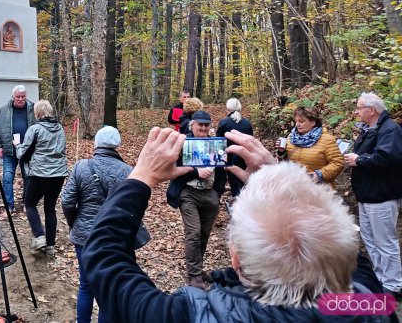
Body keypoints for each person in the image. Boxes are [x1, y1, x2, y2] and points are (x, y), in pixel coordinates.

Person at [82, 128, 392, 322]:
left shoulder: (187, 315)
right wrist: (284, 179)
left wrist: (142, 175)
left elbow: (103, 256)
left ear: (236, 260)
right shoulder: (371, 302)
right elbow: (349, 253)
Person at [61, 126, 130, 323]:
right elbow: (131, 208)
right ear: (117, 145)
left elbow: (66, 201)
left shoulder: (82, 166)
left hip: (85, 237)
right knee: (108, 287)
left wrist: (75, 223)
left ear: (96, 144)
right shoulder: (128, 172)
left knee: (86, 284)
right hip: (113, 238)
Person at [344, 92, 402, 298]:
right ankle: (380, 279)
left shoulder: (390, 130)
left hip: (382, 196)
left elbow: (387, 158)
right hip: (367, 194)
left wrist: (359, 160)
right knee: (370, 240)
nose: (357, 111)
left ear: (372, 110)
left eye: (359, 108)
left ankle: (394, 285)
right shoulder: (370, 129)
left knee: (385, 241)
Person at [166, 110, 225, 289]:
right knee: (193, 233)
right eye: (200, 124)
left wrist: (218, 192)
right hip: (188, 192)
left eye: (206, 124)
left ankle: (197, 270)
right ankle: (194, 275)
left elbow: (221, 168)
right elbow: (173, 167)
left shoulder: (215, 143)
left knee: (204, 234)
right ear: (192, 125)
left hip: (210, 193)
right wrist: (195, 171)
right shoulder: (183, 142)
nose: (203, 127)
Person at [15, 100, 67, 257]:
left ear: (37, 113)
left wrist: (17, 145)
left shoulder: (35, 129)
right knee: (50, 208)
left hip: (39, 174)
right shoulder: (60, 129)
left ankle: (39, 236)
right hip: (58, 175)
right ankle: (50, 246)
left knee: (29, 204)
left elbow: (23, 153)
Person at [0, 85, 36, 212]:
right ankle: (8, 204)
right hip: (9, 150)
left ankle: (27, 203)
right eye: (18, 97)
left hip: (27, 151)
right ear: (13, 97)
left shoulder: (33, 109)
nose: (21, 99)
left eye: (23, 97)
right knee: (7, 178)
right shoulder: (3, 110)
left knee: (28, 177)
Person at [276, 106, 344, 188]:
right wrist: (281, 152)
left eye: (301, 121)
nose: (297, 124)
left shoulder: (327, 140)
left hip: (319, 190)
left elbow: (338, 163)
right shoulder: (291, 137)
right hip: (294, 187)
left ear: (313, 122)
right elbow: (284, 163)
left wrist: (319, 175)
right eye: (296, 121)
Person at [216, 98, 253, 197]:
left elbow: (219, 142)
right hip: (245, 156)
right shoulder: (247, 123)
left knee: (234, 182)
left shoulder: (224, 122)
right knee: (242, 181)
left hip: (230, 156)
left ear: (227, 108)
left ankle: (237, 203)